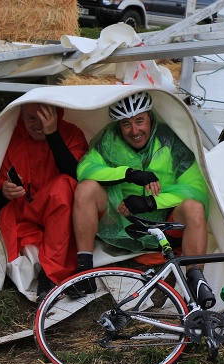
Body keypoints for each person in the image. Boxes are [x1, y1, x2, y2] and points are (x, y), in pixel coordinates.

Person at [71, 91, 215, 308]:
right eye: (126, 124)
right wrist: (128, 173)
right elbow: (85, 169)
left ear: (150, 118)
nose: (135, 131)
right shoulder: (109, 139)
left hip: (163, 223)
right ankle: (84, 271)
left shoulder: (170, 140)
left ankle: (194, 280)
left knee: (194, 207)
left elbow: (196, 188)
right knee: (85, 189)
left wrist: (150, 203)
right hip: (120, 218)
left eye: (140, 121)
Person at [0, 103, 88, 301]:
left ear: (55, 114)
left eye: (44, 117)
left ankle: (50, 273)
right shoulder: (11, 140)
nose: (38, 124)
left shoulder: (71, 134)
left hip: (62, 210)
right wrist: (4, 193)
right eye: (31, 119)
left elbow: (76, 176)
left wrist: (53, 134)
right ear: (22, 119)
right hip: (25, 214)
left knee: (63, 185)